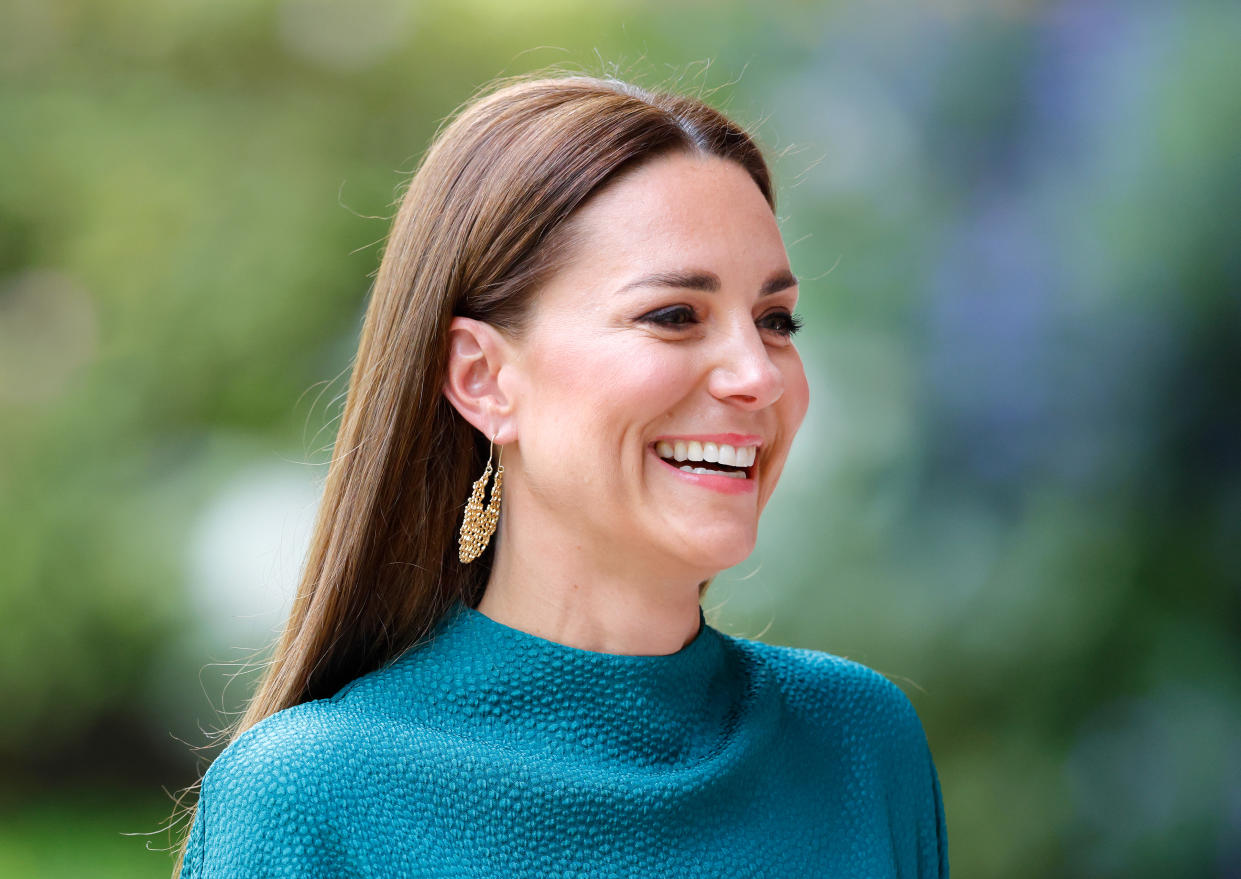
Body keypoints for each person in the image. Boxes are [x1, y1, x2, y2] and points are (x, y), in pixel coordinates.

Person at [171, 72, 949, 878]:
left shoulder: (858, 744)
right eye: (674, 315)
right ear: (480, 377)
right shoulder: (312, 799)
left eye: (774, 320)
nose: (757, 375)